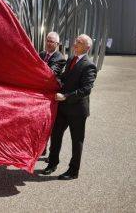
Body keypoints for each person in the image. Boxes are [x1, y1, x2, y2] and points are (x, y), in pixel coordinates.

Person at [43, 34, 97, 180]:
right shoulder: (71, 59)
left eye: (79, 42)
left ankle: (73, 171)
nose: (75, 44)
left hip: (78, 110)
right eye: (75, 41)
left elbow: (86, 90)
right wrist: (56, 83)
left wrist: (65, 96)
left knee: (76, 141)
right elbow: (65, 78)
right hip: (64, 108)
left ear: (87, 47)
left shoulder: (89, 65)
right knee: (56, 135)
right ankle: (52, 164)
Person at [38, 31, 66, 157]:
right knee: (40, 123)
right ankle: (41, 148)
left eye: (51, 42)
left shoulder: (60, 58)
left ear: (57, 44)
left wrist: (38, 68)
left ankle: (50, 153)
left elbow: (50, 74)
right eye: (47, 41)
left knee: (50, 125)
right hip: (40, 95)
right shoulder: (42, 54)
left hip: (51, 97)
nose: (48, 44)